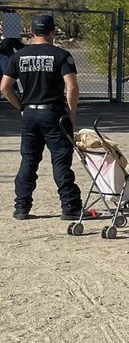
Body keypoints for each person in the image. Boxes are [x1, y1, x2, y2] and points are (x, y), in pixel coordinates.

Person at [1, 14, 83, 220]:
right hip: (53, 113)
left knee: (28, 160)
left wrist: (21, 107)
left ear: (31, 31)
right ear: (53, 31)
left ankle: (22, 207)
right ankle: (70, 206)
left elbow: (5, 87)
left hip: (29, 113)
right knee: (61, 160)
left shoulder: (18, 56)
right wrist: (71, 114)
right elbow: (71, 87)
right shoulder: (61, 55)